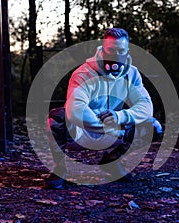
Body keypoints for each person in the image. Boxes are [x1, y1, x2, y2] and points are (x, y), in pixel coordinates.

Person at [46, 28, 162, 189]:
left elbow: (146, 107)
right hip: (80, 133)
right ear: (102, 49)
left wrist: (120, 116)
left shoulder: (132, 74)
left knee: (153, 126)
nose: (116, 55)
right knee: (56, 118)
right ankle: (60, 168)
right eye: (111, 50)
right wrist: (109, 127)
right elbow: (76, 110)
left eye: (121, 50)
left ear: (127, 51)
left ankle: (112, 161)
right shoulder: (83, 73)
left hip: (113, 131)